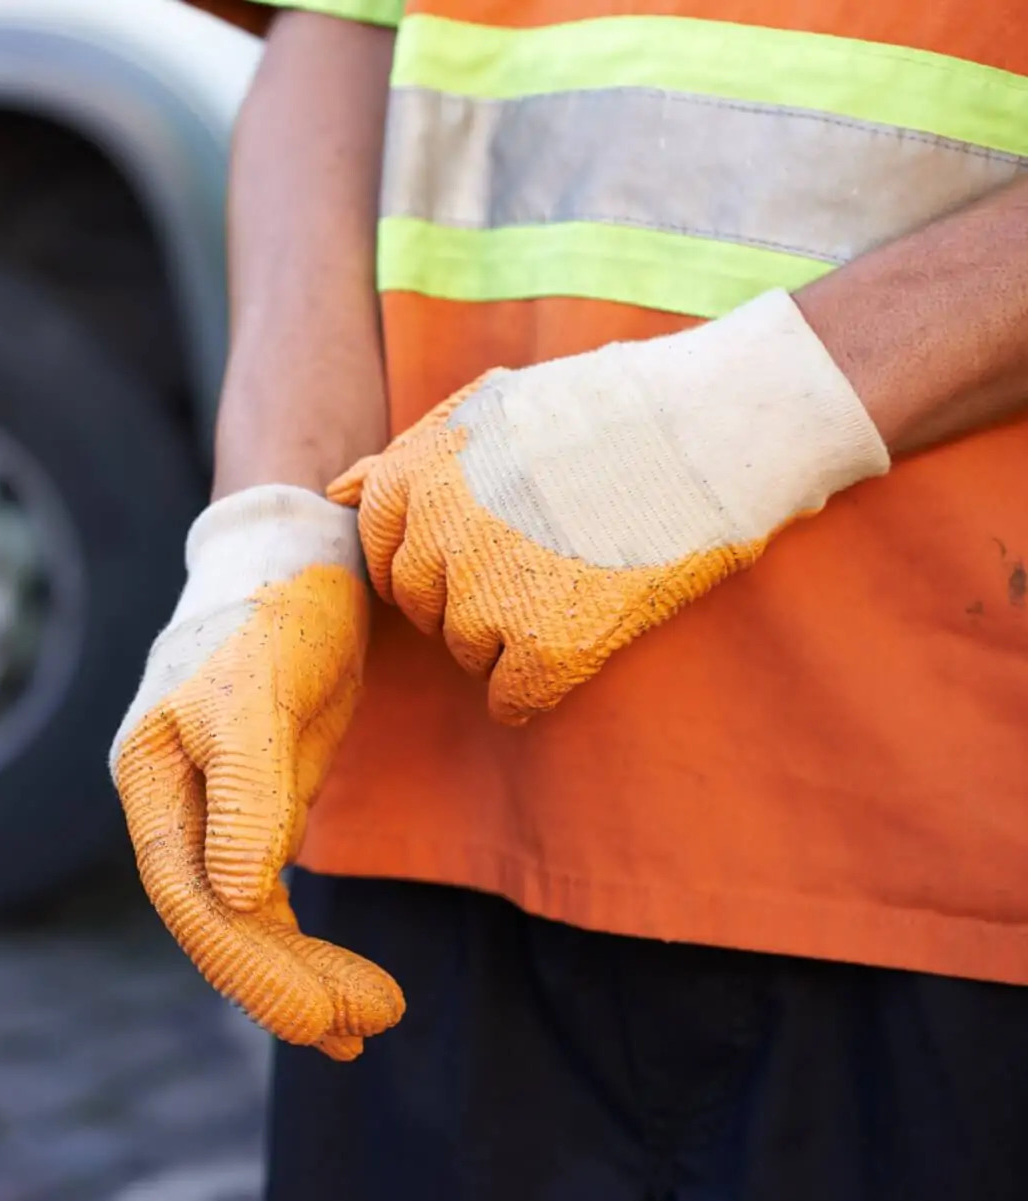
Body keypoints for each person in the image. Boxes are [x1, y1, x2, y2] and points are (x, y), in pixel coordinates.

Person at [111, 2, 1028, 1197]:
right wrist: (273, 528)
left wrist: (742, 417)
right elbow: (331, 29)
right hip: (432, 805)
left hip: (931, 827)